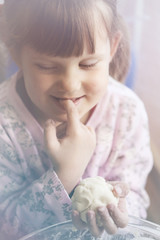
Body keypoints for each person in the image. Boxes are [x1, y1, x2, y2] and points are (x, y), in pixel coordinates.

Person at [0, 0, 153, 239]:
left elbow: (135, 194)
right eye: (47, 66)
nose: (70, 84)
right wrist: (65, 175)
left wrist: (121, 208)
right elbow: (5, 225)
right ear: (16, 53)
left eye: (88, 64)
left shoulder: (127, 113)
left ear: (112, 48)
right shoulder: (4, 125)